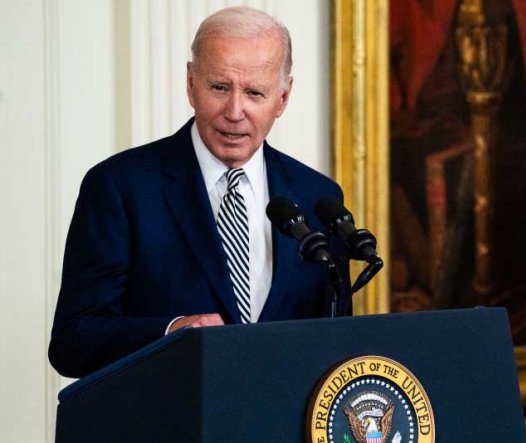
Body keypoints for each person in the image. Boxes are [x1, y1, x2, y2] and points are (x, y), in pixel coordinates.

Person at [49, 6, 350, 379]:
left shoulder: (318, 196)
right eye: (219, 87)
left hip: (280, 431)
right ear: (191, 84)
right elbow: (72, 340)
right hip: (168, 428)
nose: (235, 111)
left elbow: (337, 344)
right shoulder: (119, 187)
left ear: (283, 98)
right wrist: (171, 333)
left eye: (255, 93)